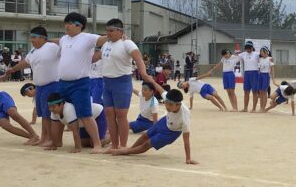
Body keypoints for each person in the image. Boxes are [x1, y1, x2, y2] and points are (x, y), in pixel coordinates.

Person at [48, 12, 109, 152]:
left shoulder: (87, 38)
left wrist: (116, 36)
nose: (66, 26)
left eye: (69, 23)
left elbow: (102, 39)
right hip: (63, 83)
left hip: (80, 83)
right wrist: (47, 40)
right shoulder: (64, 39)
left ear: (79, 26)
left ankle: (97, 144)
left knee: (84, 113)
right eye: (66, 23)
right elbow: (59, 41)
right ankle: (55, 143)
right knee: (57, 111)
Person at [100, 18, 163, 149]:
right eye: (107, 31)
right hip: (107, 83)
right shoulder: (106, 44)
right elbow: (95, 57)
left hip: (121, 82)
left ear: (120, 31)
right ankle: (114, 145)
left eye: (111, 31)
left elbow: (138, 58)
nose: (108, 33)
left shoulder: (127, 43)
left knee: (121, 116)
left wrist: (144, 74)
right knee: (109, 115)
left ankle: (122, 145)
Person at [110, 88, 198, 164]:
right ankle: (129, 150)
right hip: (164, 121)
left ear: (178, 104)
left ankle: (125, 151)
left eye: (170, 104)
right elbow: (159, 88)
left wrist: (188, 158)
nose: (167, 106)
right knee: (145, 136)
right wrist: (148, 78)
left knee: (147, 144)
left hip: (172, 132)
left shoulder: (184, 117)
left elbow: (186, 139)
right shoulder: (169, 97)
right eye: (166, 103)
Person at [7, 27, 60, 148]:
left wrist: (50, 40)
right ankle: (44, 137)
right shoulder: (33, 51)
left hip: (52, 84)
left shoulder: (52, 47)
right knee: (42, 114)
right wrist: (13, 69)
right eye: (31, 37)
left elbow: (66, 43)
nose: (31, 40)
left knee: (49, 114)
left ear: (43, 38)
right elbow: (26, 62)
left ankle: (50, 138)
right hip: (39, 87)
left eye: (34, 37)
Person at [239, 41, 260, 113]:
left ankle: (254, 108)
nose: (248, 49)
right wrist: (242, 75)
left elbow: (265, 56)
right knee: (246, 92)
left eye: (250, 48)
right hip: (247, 73)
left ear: (252, 47)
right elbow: (241, 65)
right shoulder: (242, 55)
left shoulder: (257, 54)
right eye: (247, 48)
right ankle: (245, 108)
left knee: (255, 92)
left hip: (255, 73)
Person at [256, 46, 273, 112]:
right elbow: (259, 68)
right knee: (260, 92)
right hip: (260, 75)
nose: (261, 53)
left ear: (266, 52)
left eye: (262, 51)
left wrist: (273, 78)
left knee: (264, 92)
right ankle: (261, 107)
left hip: (266, 75)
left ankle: (263, 107)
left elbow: (272, 69)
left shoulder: (270, 58)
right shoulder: (260, 59)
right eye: (260, 52)